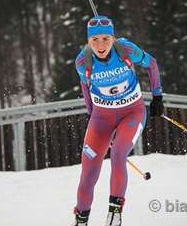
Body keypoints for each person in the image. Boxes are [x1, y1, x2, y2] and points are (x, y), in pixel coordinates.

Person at [72, 15, 164, 226]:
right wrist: (92, 115)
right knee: (88, 172)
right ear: (88, 41)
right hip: (101, 118)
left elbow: (152, 64)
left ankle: (114, 213)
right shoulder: (82, 61)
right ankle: (81, 220)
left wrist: (157, 96)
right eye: (95, 40)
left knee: (118, 153)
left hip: (131, 113)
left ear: (113, 38)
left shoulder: (126, 50)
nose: (100, 45)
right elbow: (86, 90)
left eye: (105, 39)